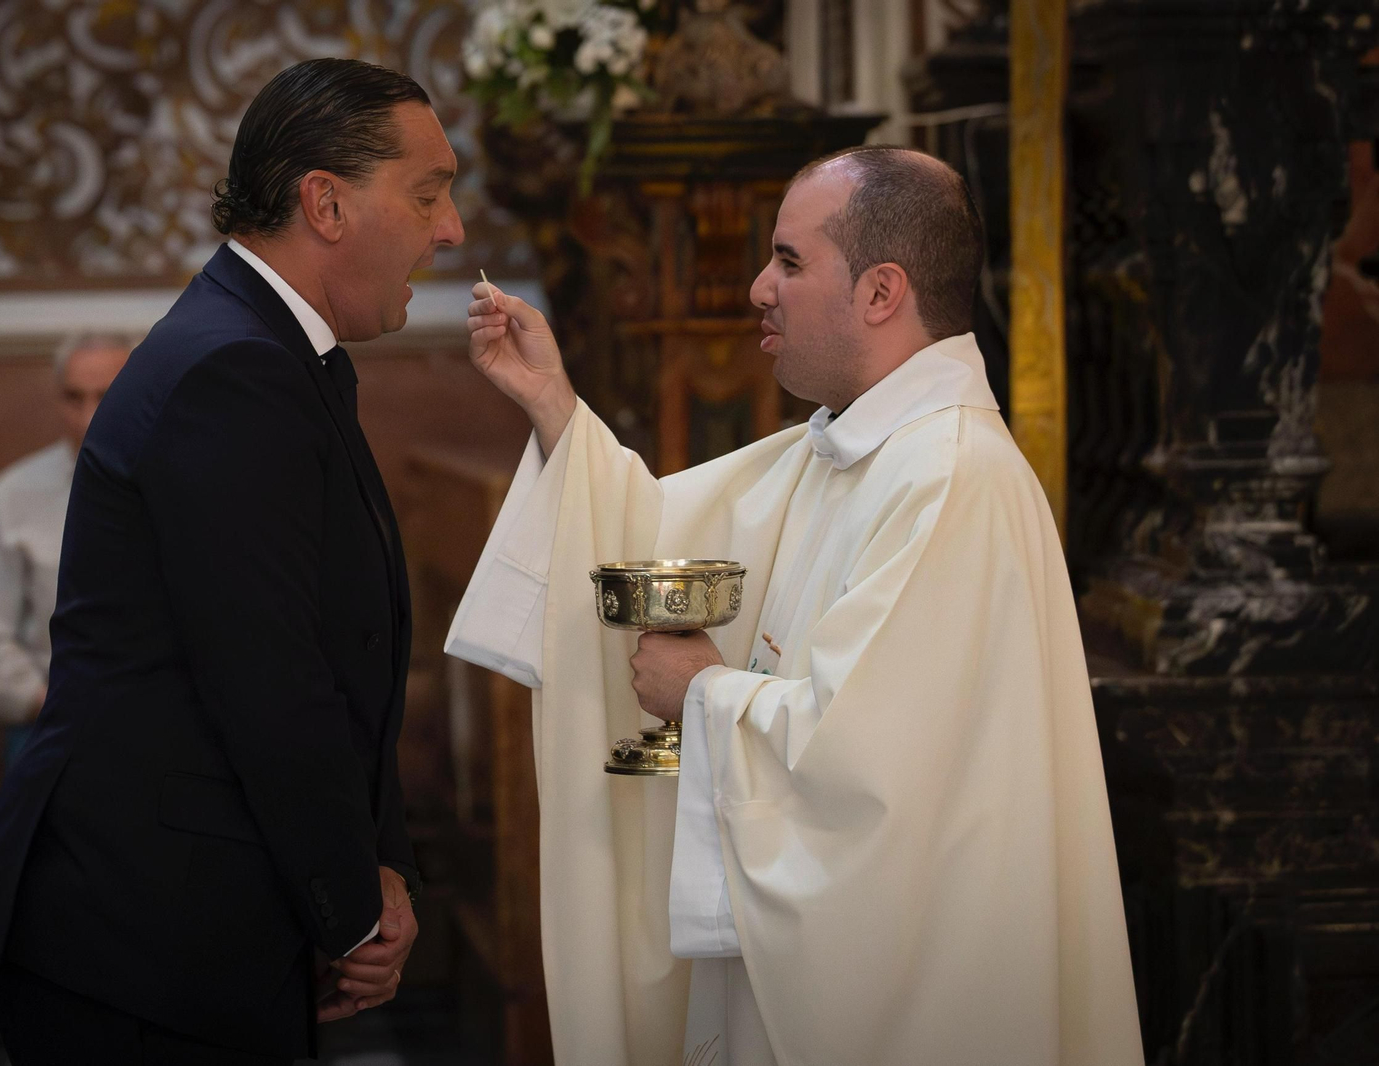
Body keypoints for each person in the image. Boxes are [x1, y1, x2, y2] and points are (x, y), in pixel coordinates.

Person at [447, 147, 1143, 1064]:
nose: (755, 288)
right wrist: (552, 402)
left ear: (882, 291)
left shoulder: (948, 480)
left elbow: (870, 780)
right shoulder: (845, 452)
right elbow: (651, 527)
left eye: (788, 260)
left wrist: (703, 691)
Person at [0, 57, 463, 1064]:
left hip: (190, 911)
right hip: (142, 934)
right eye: (428, 192)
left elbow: (339, 654)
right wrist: (353, 903)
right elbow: (270, 678)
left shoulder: (276, 350)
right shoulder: (233, 366)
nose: (449, 229)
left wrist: (379, 865)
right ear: (325, 202)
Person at [0, 334, 131, 768]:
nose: (90, 415)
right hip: (49, 720)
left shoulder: (180, 486)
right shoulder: (11, 496)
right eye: (74, 398)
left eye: (107, 396)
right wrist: (51, 703)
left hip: (160, 718)